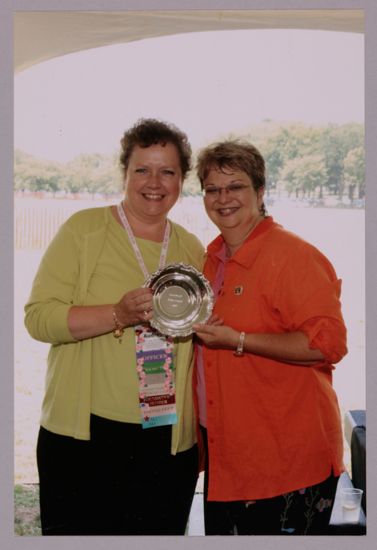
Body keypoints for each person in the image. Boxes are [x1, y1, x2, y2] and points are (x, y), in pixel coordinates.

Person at [24, 118, 204, 536]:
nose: (154, 182)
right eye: (142, 169)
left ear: (182, 180)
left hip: (167, 439)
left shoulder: (192, 249)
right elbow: (38, 318)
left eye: (168, 171)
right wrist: (118, 315)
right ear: (124, 173)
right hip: (84, 438)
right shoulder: (84, 230)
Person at [192, 140, 348, 536]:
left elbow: (327, 344)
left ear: (260, 193)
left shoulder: (292, 256)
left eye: (236, 186)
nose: (223, 198)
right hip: (230, 460)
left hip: (286, 463)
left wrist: (239, 340)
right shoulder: (210, 261)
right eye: (212, 189)